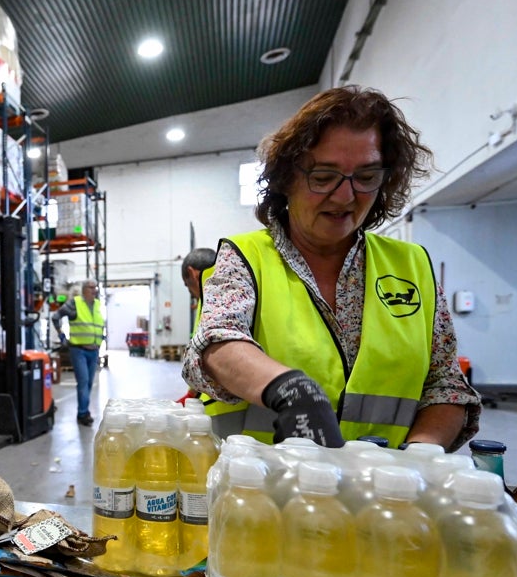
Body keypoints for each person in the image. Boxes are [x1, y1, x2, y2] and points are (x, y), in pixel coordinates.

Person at [182, 86, 480, 449]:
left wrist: (419, 459)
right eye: (323, 177)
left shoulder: (411, 266)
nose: (345, 196)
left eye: (366, 177)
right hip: (261, 489)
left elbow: (445, 386)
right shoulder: (247, 257)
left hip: (382, 494)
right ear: (286, 178)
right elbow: (217, 340)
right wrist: (291, 389)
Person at [53, 278, 104, 426]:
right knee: (83, 381)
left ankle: (84, 409)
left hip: (94, 350)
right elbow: (56, 317)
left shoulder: (97, 305)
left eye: (95, 287)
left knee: (88, 383)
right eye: (91, 287)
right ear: (84, 289)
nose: (94, 290)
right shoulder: (75, 304)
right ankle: (83, 413)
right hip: (78, 350)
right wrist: (62, 336)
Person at [177, 248, 216, 406]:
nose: (191, 293)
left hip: (216, 402)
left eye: (188, 286)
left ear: (192, 273)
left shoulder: (213, 300)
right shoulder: (232, 292)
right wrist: (191, 393)